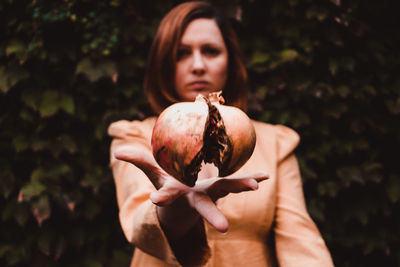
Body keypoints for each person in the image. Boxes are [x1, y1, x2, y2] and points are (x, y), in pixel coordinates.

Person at [108, 1, 334, 266]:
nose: (198, 65)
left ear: (230, 61)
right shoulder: (134, 136)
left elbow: (300, 243)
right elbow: (137, 224)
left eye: (211, 51)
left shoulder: (276, 143)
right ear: (164, 65)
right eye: (181, 53)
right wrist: (176, 210)